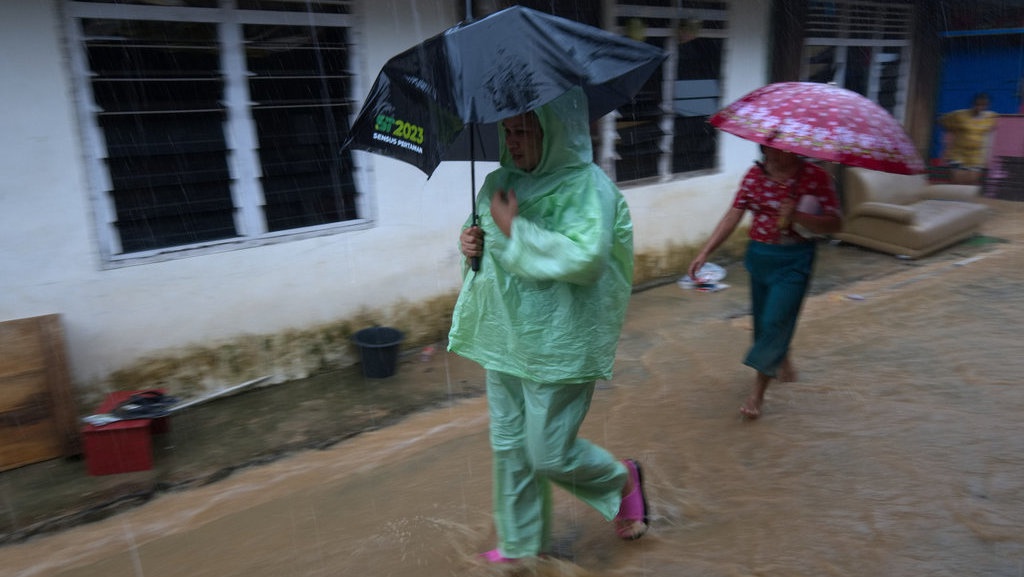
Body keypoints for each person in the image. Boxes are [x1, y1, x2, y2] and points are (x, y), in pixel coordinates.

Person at [447, 86, 648, 563]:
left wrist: (515, 229)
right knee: (510, 446)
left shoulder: (589, 188)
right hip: (506, 335)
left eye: (524, 131)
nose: (513, 141)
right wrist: (471, 247)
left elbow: (585, 260)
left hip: (562, 341)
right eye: (508, 131)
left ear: (556, 132)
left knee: (549, 454)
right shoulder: (498, 181)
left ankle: (621, 480)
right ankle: (520, 546)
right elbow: (488, 260)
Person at [688, 145, 842, 420]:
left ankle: (757, 393)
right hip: (759, 257)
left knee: (774, 322)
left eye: (783, 150)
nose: (775, 156)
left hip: (795, 259)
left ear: (796, 149)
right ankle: (782, 353)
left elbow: (834, 224)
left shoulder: (815, 177)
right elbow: (733, 214)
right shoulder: (754, 176)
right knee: (763, 324)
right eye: (769, 150)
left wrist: (797, 215)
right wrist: (705, 251)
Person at [940, 92, 997, 185]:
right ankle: (953, 197)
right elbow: (942, 121)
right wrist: (947, 142)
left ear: (987, 106)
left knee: (972, 181)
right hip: (958, 152)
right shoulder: (959, 115)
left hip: (975, 154)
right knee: (957, 180)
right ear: (973, 104)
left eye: (983, 105)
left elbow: (991, 133)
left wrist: (988, 155)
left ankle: (966, 198)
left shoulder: (990, 117)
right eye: (977, 105)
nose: (979, 108)